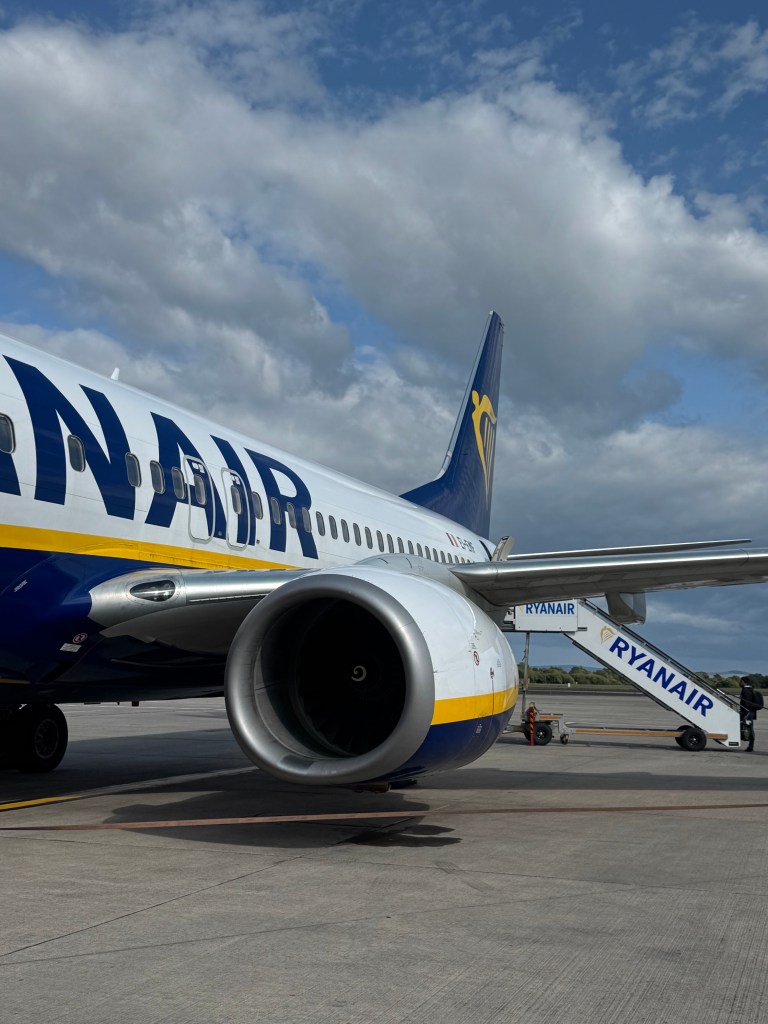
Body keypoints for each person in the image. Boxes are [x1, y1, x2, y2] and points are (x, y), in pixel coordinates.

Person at [739, 681, 764, 752]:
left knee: (749, 729)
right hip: (751, 712)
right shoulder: (750, 689)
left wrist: (745, 714)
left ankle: (750, 746)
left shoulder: (746, 691)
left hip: (747, 713)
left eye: (740, 681)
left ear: (744, 682)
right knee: (750, 728)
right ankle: (750, 745)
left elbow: (746, 704)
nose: (739, 683)